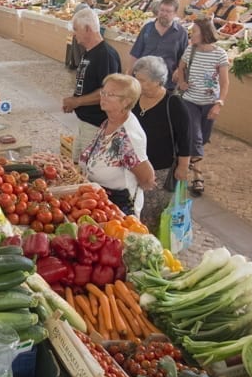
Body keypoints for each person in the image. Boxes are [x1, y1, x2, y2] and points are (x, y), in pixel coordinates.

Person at [78, 74, 156, 217]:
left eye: (110, 94)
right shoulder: (110, 121)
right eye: (103, 92)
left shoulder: (128, 136)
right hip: (99, 200)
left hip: (118, 208)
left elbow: (148, 179)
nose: (103, 96)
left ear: (126, 101)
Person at [131, 56, 192, 231]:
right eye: (136, 77)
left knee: (150, 216)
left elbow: (185, 138)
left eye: (141, 80)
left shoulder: (173, 104)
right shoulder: (135, 98)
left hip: (160, 170)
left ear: (157, 81)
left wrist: (183, 166)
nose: (136, 82)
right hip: (133, 166)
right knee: (134, 211)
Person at [173, 16, 230, 197]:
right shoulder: (191, 50)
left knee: (202, 139)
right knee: (195, 138)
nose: (192, 34)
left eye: (195, 31)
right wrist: (181, 82)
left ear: (205, 33)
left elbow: (225, 82)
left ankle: (190, 162)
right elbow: (180, 67)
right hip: (190, 101)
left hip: (209, 103)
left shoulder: (220, 54)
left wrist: (219, 103)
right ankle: (197, 176)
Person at [62, 8, 122, 162]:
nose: (74, 34)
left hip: (97, 125)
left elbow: (108, 92)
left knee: (88, 167)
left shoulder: (105, 55)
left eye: (76, 29)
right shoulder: (89, 52)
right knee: (77, 164)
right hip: (85, 121)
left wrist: (77, 101)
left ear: (88, 29)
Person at [128, 0, 188, 91]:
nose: (163, 14)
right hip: (143, 81)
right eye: (162, 10)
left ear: (175, 14)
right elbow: (135, 53)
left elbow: (184, 58)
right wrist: (129, 76)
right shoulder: (147, 28)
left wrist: (178, 71)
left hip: (167, 84)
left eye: (168, 11)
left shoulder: (181, 33)